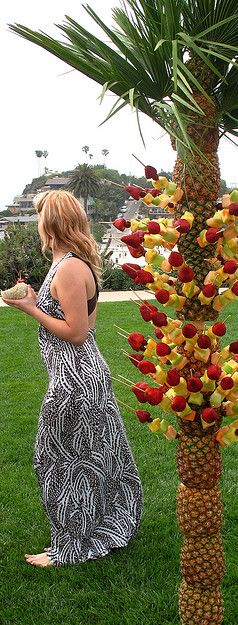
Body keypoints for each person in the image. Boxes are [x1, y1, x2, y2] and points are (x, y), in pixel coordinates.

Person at [2, 190, 143, 567]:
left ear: (50, 223)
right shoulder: (72, 263)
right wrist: (36, 299)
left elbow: (77, 332)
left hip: (74, 379)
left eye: (39, 217)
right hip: (86, 375)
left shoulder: (67, 268)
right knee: (92, 457)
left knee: (58, 460)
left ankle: (71, 547)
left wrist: (31, 308)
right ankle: (99, 526)